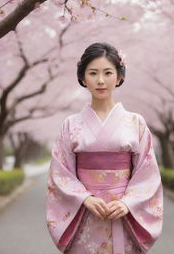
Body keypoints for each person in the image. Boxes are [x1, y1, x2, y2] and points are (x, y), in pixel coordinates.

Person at [46, 42, 163, 254]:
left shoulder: (136, 122)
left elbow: (148, 173)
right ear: (82, 78)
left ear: (119, 77)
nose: (100, 80)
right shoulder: (71, 125)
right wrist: (84, 198)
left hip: (123, 213)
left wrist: (128, 203)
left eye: (108, 73)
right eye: (93, 73)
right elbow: (60, 173)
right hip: (84, 214)